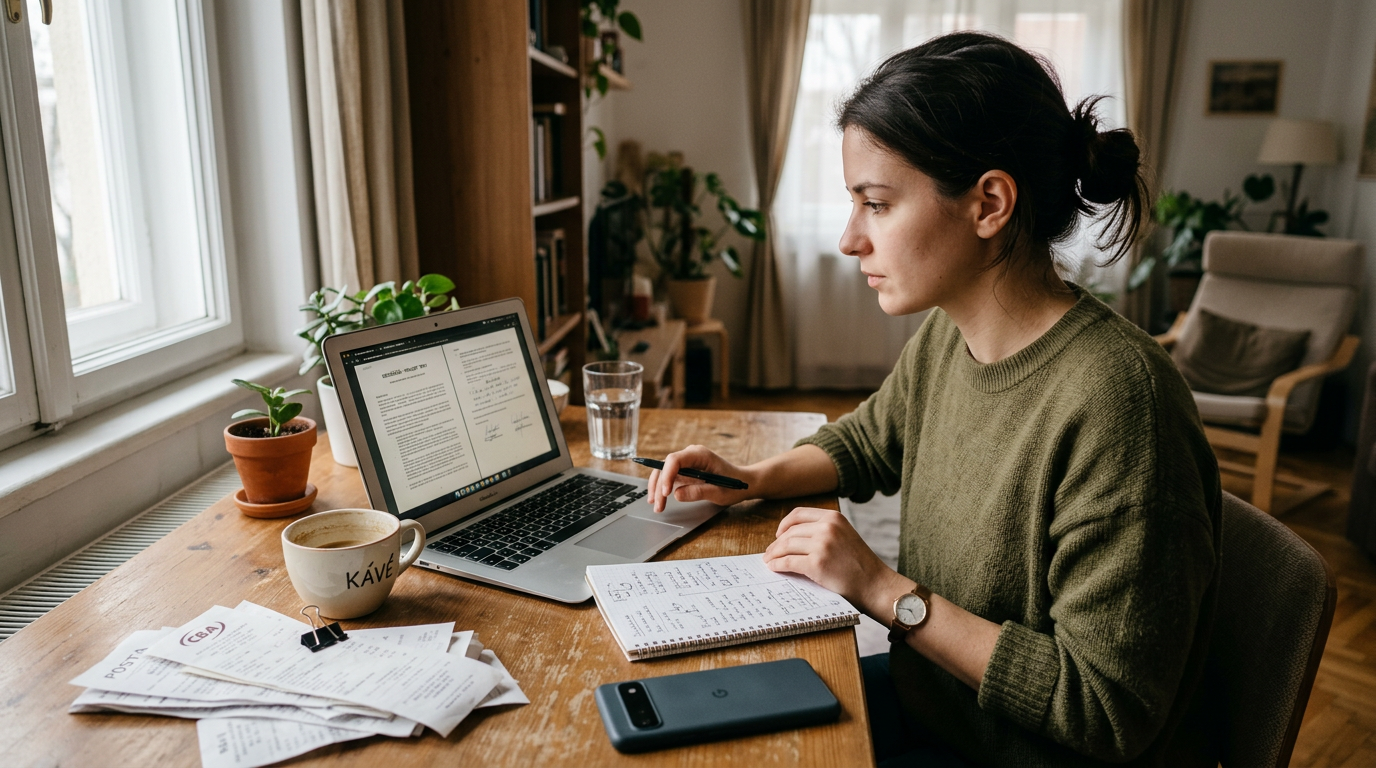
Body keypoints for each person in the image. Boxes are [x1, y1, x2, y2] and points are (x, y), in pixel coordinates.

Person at [647, 32, 1221, 767]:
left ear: (989, 203)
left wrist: (883, 590)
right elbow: (869, 442)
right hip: (932, 706)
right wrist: (751, 478)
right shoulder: (952, 335)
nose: (850, 239)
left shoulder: (1121, 403)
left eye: (876, 204)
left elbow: (1104, 709)